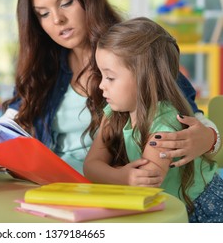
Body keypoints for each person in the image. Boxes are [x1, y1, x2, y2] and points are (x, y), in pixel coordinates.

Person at [0, 0, 220, 174]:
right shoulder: (43, 67)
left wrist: (209, 138)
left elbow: (194, 120)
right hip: (52, 184)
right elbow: (11, 120)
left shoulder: (131, 51)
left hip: (109, 190)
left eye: (66, 3)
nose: (57, 20)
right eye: (43, 13)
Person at [83, 17, 223, 222]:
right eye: (102, 76)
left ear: (145, 79)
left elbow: (146, 182)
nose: (101, 85)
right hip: (168, 210)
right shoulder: (114, 112)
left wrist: (117, 177)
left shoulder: (165, 122)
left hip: (201, 210)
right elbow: (91, 166)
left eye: (110, 77)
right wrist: (123, 177)